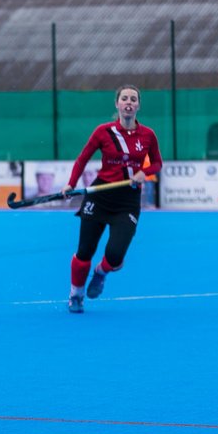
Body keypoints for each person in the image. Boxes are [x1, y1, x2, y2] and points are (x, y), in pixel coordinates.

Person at [62, 84, 163, 314]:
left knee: (116, 256)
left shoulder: (148, 135)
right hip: (100, 196)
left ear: (138, 105)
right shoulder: (103, 132)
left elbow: (157, 163)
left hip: (127, 201)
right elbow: (82, 159)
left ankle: (101, 273)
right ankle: (75, 295)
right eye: (124, 98)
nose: (129, 102)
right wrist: (71, 183)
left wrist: (144, 172)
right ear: (117, 104)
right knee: (84, 251)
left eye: (133, 99)